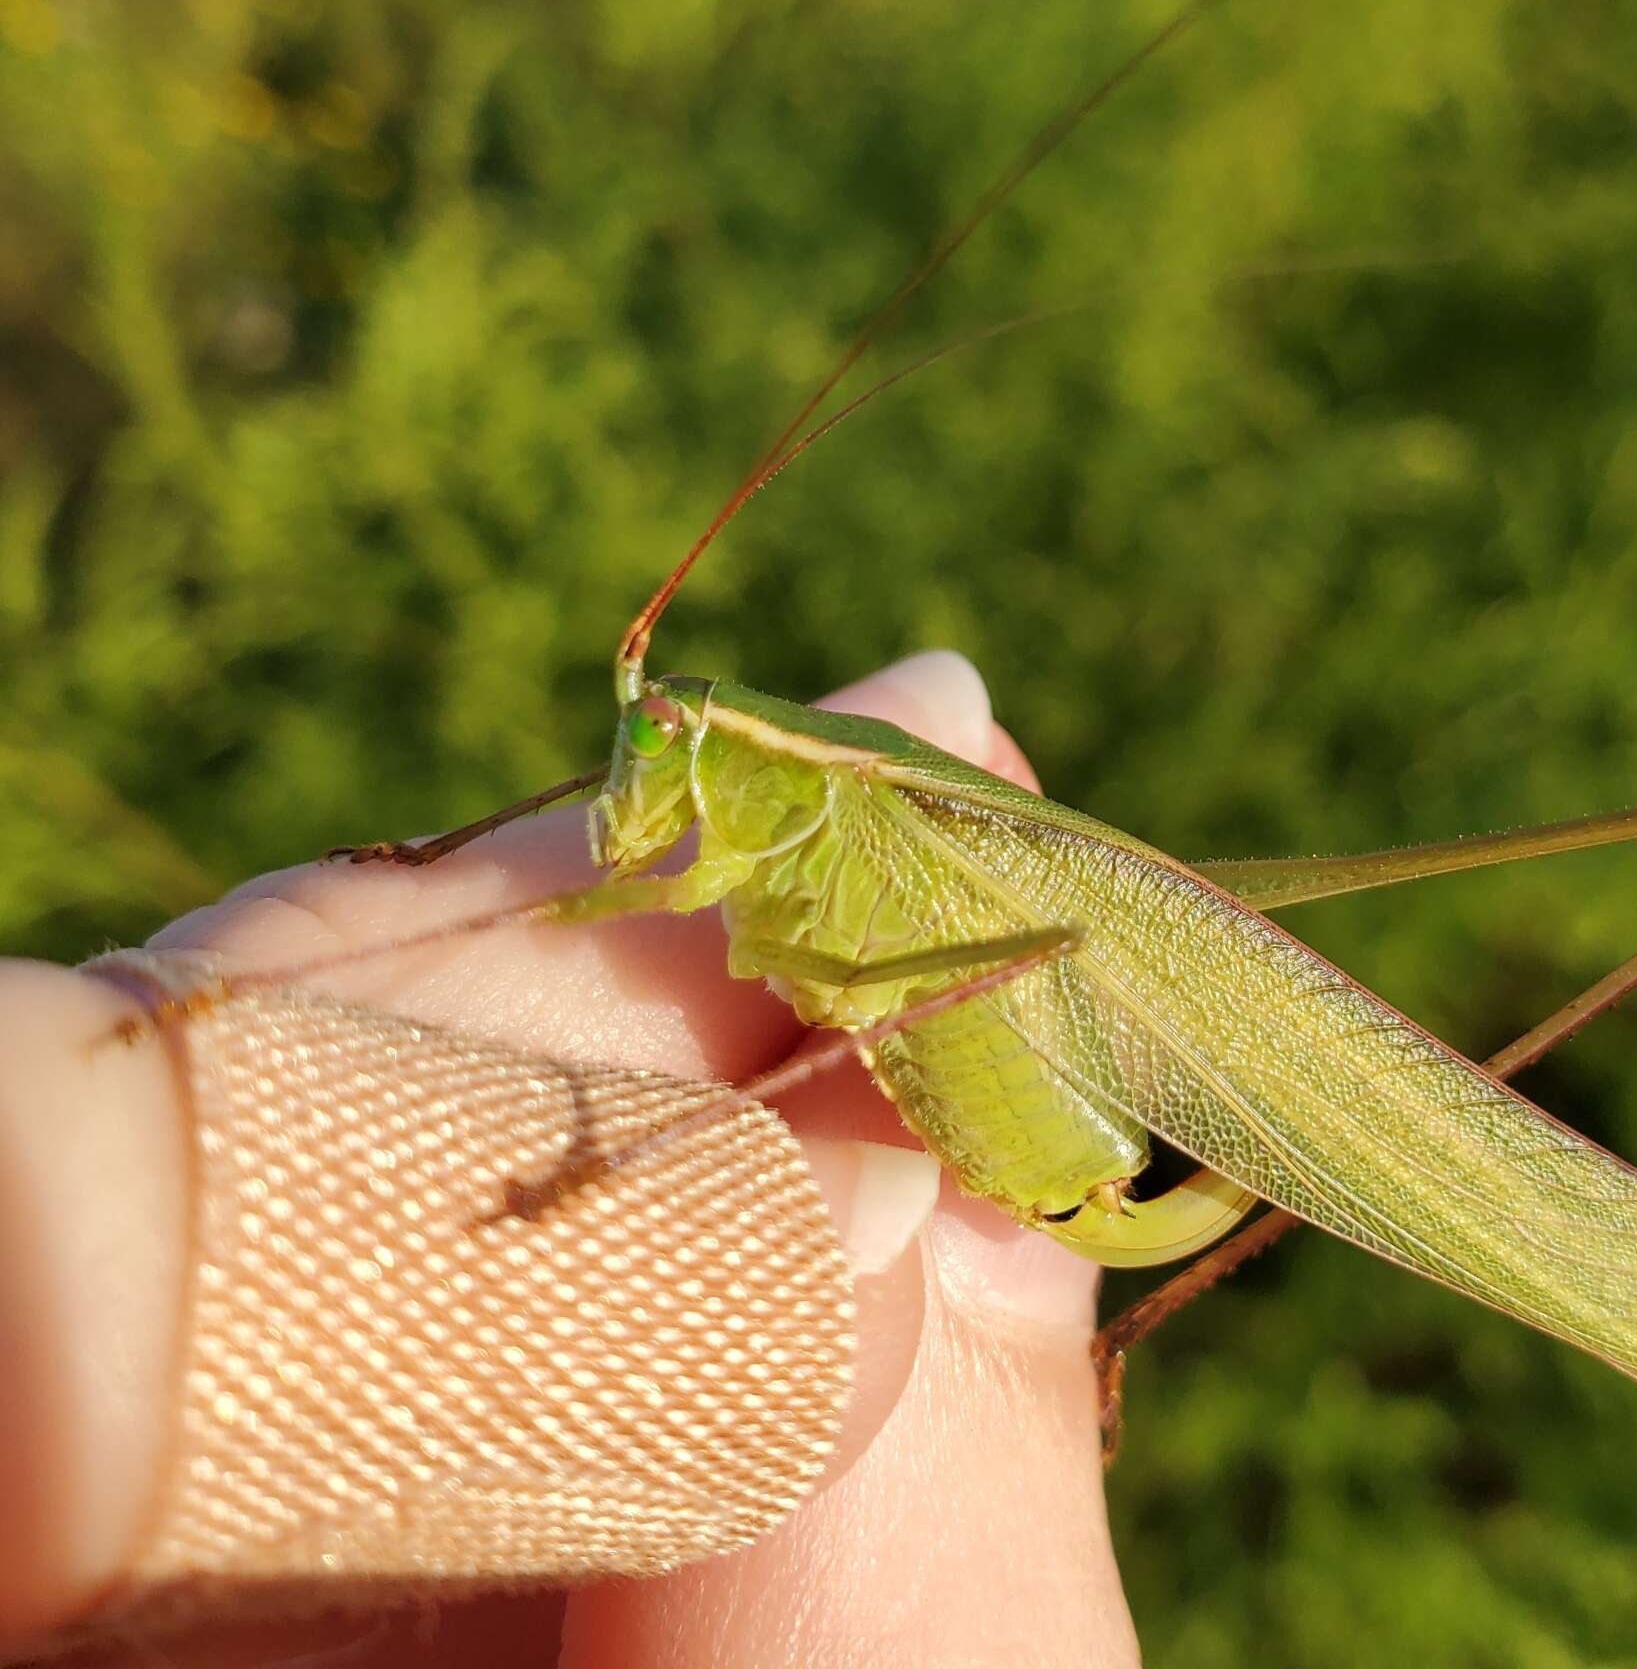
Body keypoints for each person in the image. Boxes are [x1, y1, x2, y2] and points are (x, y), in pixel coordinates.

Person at [0, 653, 1143, 1668]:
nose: (627, 763)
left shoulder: (802, 797)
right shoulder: (742, 795)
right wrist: (435, 857)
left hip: (1020, 1091)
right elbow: (604, 847)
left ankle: (1112, 1321)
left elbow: (577, 902)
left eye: (648, 739)